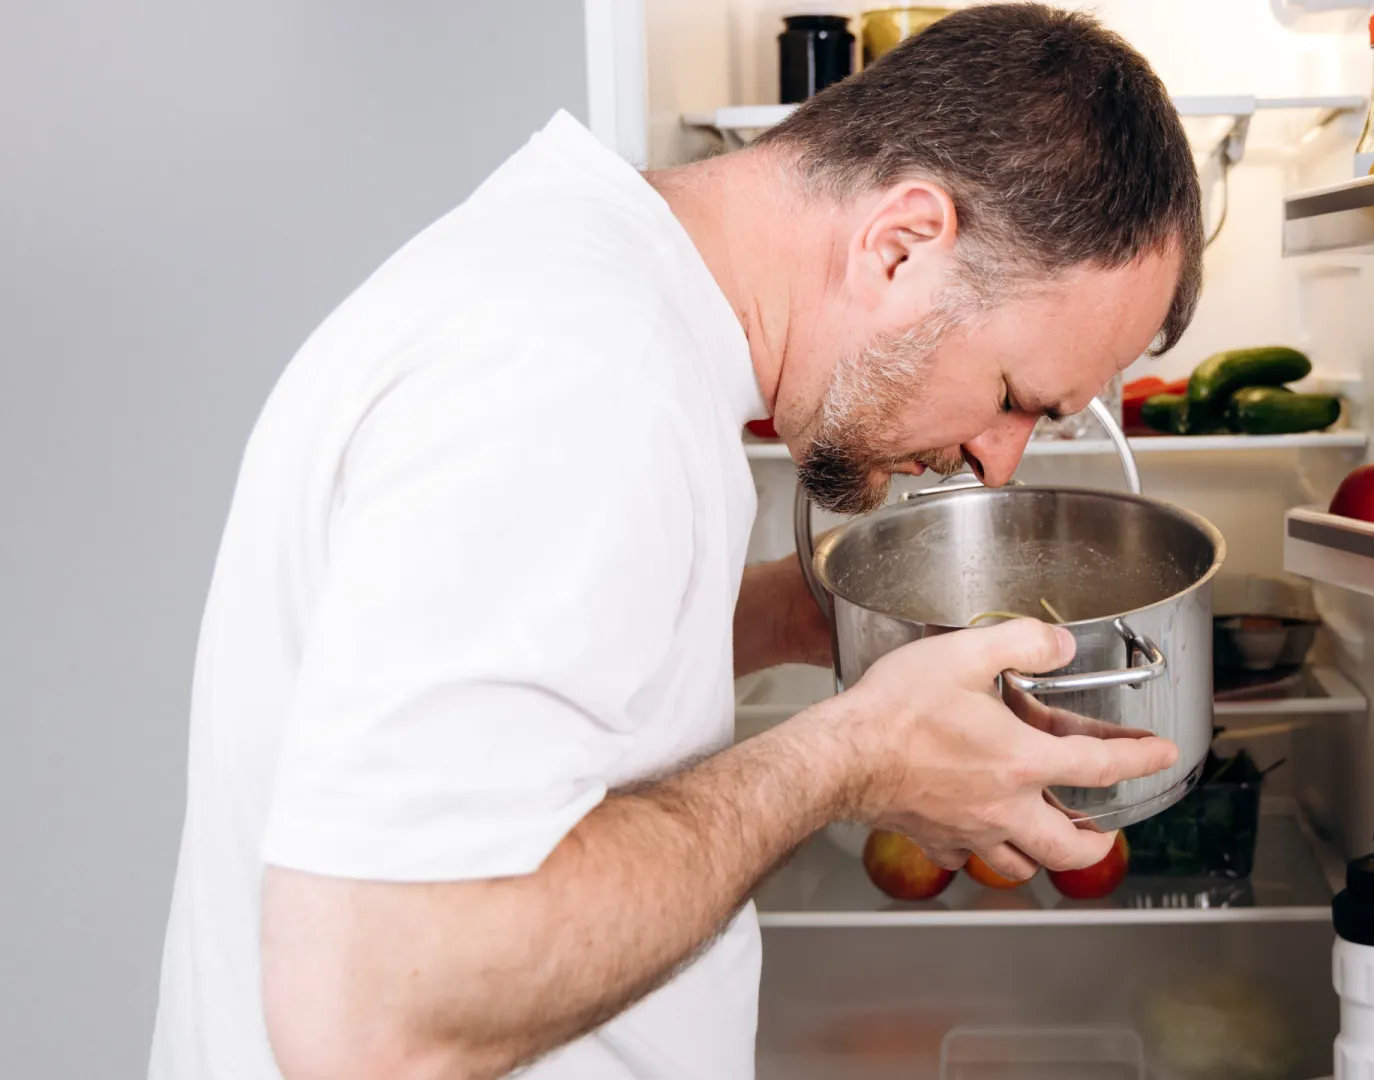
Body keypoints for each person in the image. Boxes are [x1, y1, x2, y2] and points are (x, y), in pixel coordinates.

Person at [148, 4, 1205, 1079]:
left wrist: (790, 615)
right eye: (1013, 396)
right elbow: (375, 1014)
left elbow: (565, 677)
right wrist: (853, 758)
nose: (1001, 459)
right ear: (901, 244)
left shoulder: (585, 291)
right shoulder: (579, 369)